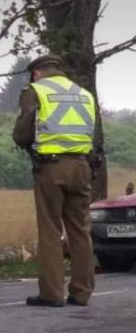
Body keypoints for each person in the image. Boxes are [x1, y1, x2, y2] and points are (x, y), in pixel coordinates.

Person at [12, 55, 97, 307]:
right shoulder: (84, 94)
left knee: (50, 229)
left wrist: (23, 142)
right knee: (81, 230)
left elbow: (23, 132)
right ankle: (81, 292)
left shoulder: (35, 91)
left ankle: (52, 293)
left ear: (37, 73)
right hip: (81, 165)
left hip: (50, 166)